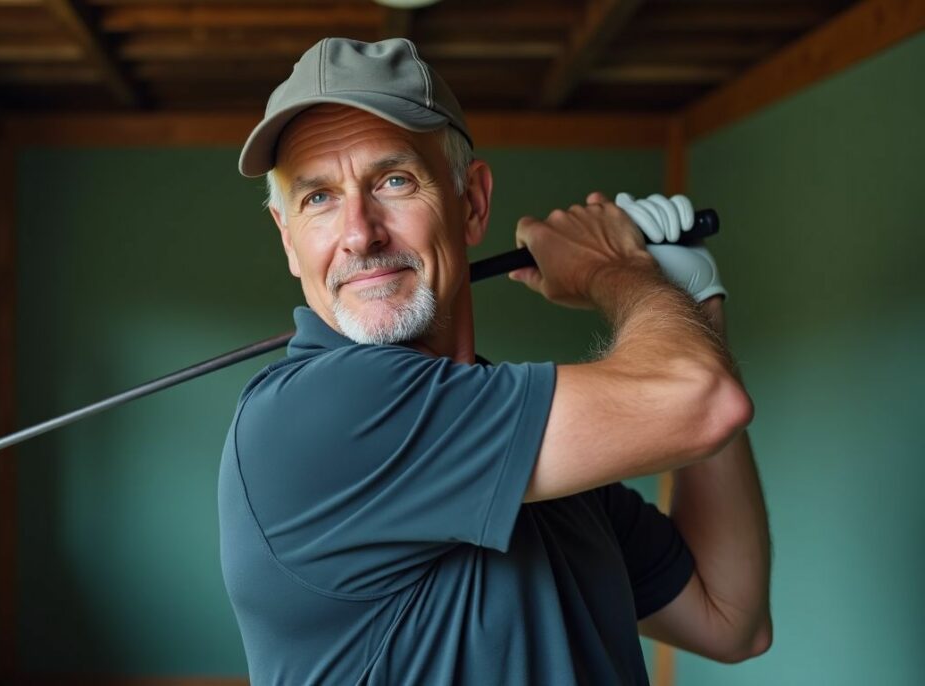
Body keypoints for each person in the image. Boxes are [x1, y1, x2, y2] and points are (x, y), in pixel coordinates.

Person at [219, 37, 771, 684]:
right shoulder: (316, 412)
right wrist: (617, 273)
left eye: (393, 180)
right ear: (289, 241)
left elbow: (730, 617)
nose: (359, 233)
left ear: (473, 203)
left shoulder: (515, 429)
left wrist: (694, 302)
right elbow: (704, 402)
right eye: (318, 199)